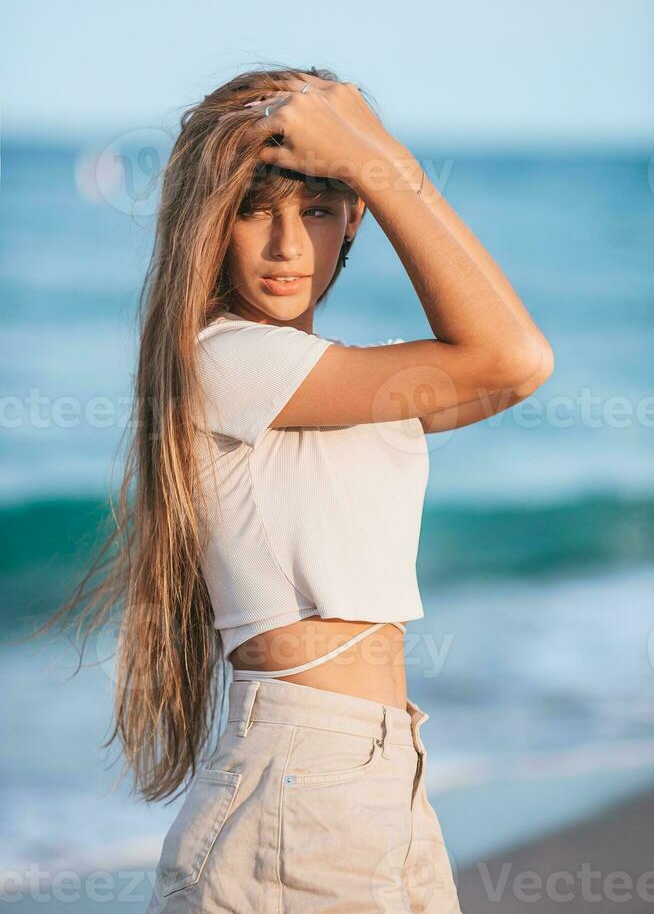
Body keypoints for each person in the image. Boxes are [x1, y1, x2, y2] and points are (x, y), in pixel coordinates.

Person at [33, 63, 553, 913]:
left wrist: (365, 164)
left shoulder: (333, 382)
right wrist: (381, 161)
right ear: (208, 224)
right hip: (302, 794)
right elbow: (514, 355)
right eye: (252, 210)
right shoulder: (227, 361)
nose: (284, 246)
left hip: (376, 779)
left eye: (315, 209)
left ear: (352, 222)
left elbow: (511, 370)